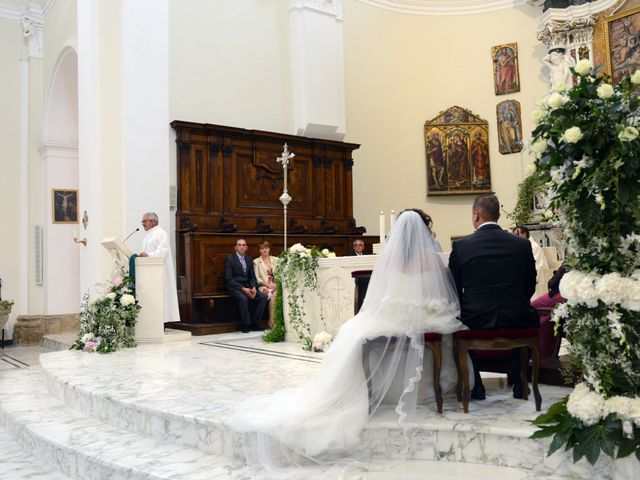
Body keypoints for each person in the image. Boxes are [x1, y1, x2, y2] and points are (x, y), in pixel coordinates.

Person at [230, 210, 470, 472]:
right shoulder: (431, 259)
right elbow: (444, 296)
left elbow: (380, 299)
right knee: (450, 328)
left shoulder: (392, 260)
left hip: (393, 317)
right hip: (426, 318)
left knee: (351, 332)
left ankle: (364, 388)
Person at [448, 194, 538, 400]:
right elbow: (530, 284)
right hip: (517, 316)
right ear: (497, 215)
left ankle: (476, 385)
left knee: (454, 324)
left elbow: (453, 288)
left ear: (476, 214)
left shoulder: (462, 247)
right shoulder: (521, 245)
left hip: (476, 318)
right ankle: (519, 382)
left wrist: (467, 308)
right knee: (527, 316)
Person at [138, 212, 181, 323]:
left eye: (145, 221)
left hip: (160, 272)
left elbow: (163, 251)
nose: (143, 223)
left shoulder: (160, 233)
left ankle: (161, 322)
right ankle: (152, 321)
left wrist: (149, 256)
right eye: (143, 221)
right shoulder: (147, 236)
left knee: (161, 297)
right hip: (150, 273)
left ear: (153, 222)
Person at [224, 239, 267, 333]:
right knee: (243, 298)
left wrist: (254, 287)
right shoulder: (230, 259)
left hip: (248, 286)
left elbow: (252, 276)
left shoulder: (249, 259)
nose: (241, 247)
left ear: (246, 247)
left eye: (243, 245)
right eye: (239, 245)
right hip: (234, 287)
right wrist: (243, 289)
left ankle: (255, 323)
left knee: (263, 297)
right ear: (235, 247)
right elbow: (229, 278)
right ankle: (246, 325)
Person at [514, 226, 549, 296]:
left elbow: (534, 265)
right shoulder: (522, 245)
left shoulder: (534, 247)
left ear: (524, 234)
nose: (515, 237)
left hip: (536, 280)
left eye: (517, 234)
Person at [253, 241, 279, 329]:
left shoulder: (276, 260)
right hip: (264, 286)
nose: (264, 250)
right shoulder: (256, 262)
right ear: (259, 251)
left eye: (266, 248)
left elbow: (280, 274)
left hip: (276, 284)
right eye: (262, 248)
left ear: (269, 249)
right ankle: (271, 320)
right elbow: (257, 278)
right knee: (274, 294)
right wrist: (268, 285)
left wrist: (276, 284)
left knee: (283, 293)